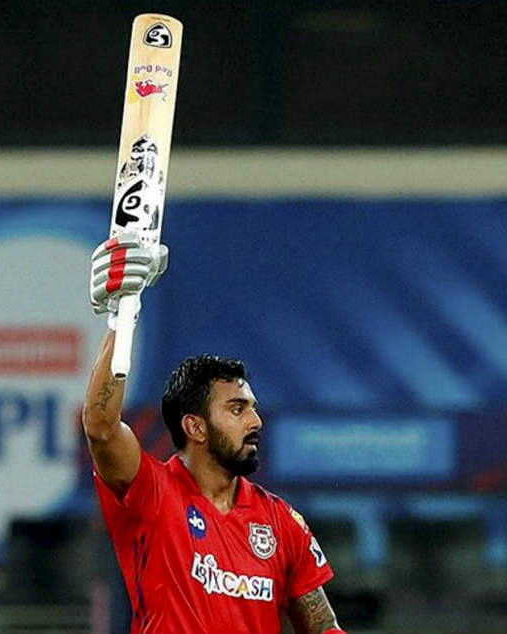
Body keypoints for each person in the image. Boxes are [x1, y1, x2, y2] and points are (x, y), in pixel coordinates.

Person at [84, 234, 345, 634]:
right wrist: (121, 317)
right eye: (237, 410)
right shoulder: (151, 493)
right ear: (195, 427)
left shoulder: (282, 523)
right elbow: (101, 428)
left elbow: (323, 626)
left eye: (252, 408)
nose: (255, 422)